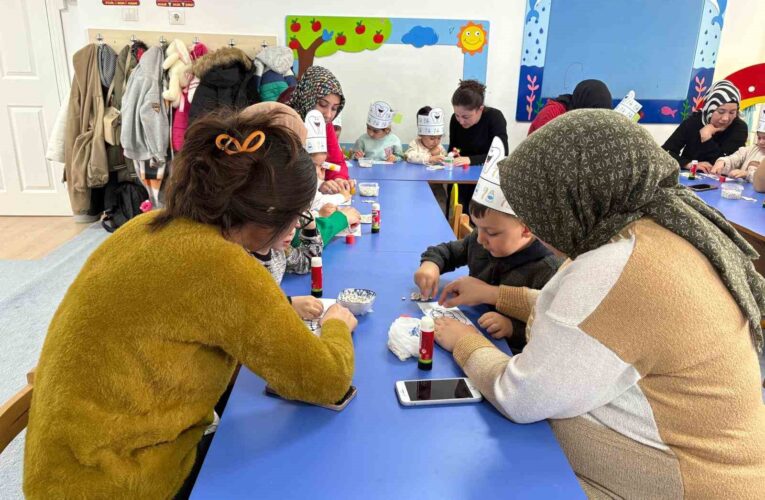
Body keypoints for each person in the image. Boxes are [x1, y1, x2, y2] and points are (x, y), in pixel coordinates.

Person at [24, 108, 358, 499]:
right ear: (269, 215)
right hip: (118, 483)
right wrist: (337, 324)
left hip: (58, 470)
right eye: (297, 216)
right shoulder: (222, 267)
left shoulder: (146, 226)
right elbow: (325, 380)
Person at [434, 110, 765, 498]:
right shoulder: (651, 227)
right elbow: (593, 322)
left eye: (539, 210)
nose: (539, 226)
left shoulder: (618, 265)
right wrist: (496, 295)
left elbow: (521, 396)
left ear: (570, 197)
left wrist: (462, 341)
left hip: (682, 485)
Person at [415, 138, 560, 352]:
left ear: (527, 228)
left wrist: (512, 328)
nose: (480, 239)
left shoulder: (547, 269)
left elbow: (547, 331)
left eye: (491, 232)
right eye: (477, 227)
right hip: (470, 327)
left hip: (503, 356)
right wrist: (431, 264)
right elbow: (447, 252)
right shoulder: (481, 241)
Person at [287, 66, 352, 194]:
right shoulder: (286, 122)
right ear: (308, 97)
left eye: (334, 108)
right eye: (322, 104)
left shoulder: (324, 124)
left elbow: (336, 161)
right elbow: (283, 174)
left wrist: (338, 179)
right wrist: (318, 185)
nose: (328, 115)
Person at [662, 80, 748, 172]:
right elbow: (664, 153)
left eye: (732, 112)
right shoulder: (694, 121)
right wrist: (690, 164)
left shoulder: (739, 128)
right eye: (721, 112)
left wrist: (707, 138)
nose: (726, 118)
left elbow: (728, 164)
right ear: (709, 108)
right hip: (689, 176)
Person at [448, 80, 508, 167]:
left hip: (487, 173)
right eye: (457, 115)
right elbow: (453, 149)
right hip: (461, 172)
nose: (461, 121)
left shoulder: (495, 117)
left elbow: (502, 154)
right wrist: (448, 157)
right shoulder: (454, 120)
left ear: (480, 109)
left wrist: (470, 159)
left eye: (466, 117)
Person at [527, 79, 612, 135]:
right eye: (595, 112)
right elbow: (547, 151)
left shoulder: (583, 119)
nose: (597, 119)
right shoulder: (552, 114)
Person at [711, 111, 765, 186]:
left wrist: (747, 174)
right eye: (759, 138)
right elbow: (735, 158)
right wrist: (723, 162)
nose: (761, 142)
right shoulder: (751, 149)